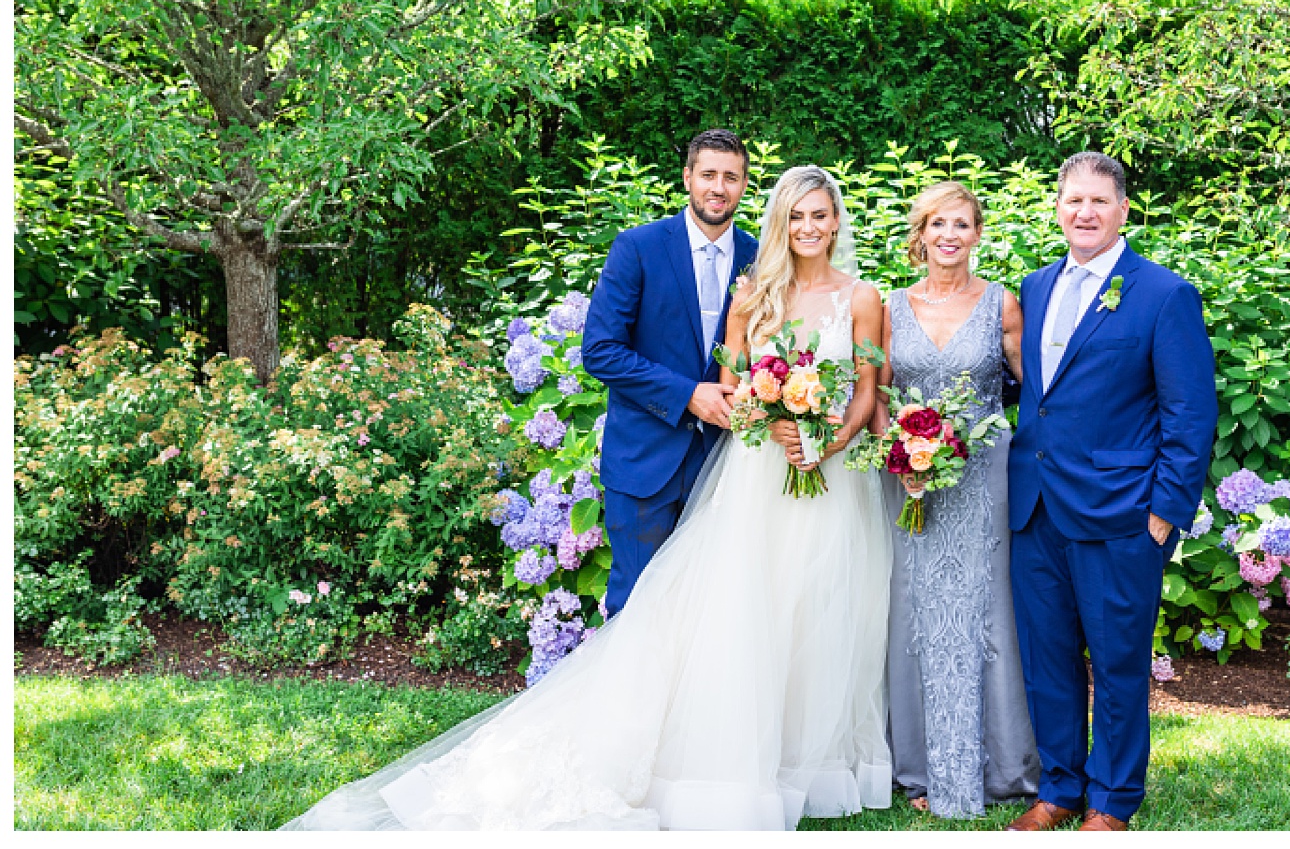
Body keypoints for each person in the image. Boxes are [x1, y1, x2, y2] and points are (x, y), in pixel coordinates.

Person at [283, 165, 893, 831]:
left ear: (837, 220)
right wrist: (767, 412)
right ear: (778, 220)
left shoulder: (862, 299)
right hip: (753, 478)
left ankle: (805, 765)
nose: (808, 228)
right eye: (796, 216)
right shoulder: (753, 294)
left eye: (820, 215)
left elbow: (867, 391)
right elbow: (732, 383)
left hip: (828, 479)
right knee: (737, 614)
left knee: (816, 613)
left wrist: (823, 442)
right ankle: (696, 754)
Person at [1005, 152, 1217, 832]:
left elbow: (1191, 415)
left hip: (1122, 516)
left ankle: (1113, 799)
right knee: (1047, 658)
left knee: (1119, 665)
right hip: (1036, 507)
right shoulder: (1033, 288)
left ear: (1124, 209)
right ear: (1058, 208)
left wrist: (1165, 514)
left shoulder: (1162, 294)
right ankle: (1060, 787)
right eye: (1074, 201)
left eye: (1100, 201)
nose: (1085, 213)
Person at [871, 182, 1039, 817]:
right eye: (938, 223)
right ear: (921, 233)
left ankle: (1001, 768)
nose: (950, 235)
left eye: (962, 224)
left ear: (976, 234)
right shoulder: (891, 307)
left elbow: (1030, 390)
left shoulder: (1004, 306)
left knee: (985, 610)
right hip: (910, 482)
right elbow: (881, 394)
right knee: (915, 608)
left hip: (982, 481)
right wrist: (901, 456)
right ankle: (917, 768)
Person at [579, 129, 758, 614]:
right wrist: (686, 394)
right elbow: (599, 350)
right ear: (687, 178)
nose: (718, 187)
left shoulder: (758, 258)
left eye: (731, 177)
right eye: (708, 175)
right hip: (645, 461)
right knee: (635, 610)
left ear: (744, 185)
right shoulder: (638, 248)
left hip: (724, 465)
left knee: (709, 615)